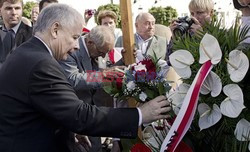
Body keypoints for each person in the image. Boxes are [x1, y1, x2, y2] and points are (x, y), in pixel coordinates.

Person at [0, 4, 171, 152]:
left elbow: (44, 106)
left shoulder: (29, 53)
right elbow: (80, 114)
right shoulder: (42, 63)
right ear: (55, 30)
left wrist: (68, 128)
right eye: (74, 37)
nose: (76, 45)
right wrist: (140, 114)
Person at [60, 25, 125, 152]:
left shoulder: (100, 48)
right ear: (90, 42)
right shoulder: (72, 50)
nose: (103, 55)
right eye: (101, 52)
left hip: (94, 114)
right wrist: (102, 76)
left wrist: (122, 61)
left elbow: (105, 71)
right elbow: (73, 79)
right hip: (76, 115)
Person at [0, 0, 32, 66]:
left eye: (17, 8)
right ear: (0, 11)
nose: (14, 12)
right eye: (8, 8)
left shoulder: (34, 35)